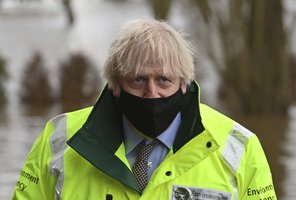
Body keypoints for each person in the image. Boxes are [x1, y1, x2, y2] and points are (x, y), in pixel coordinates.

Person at [13, 19, 277, 200]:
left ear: (184, 84)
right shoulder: (59, 140)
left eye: (164, 80)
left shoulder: (239, 146)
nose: (152, 93)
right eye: (138, 80)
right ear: (115, 85)